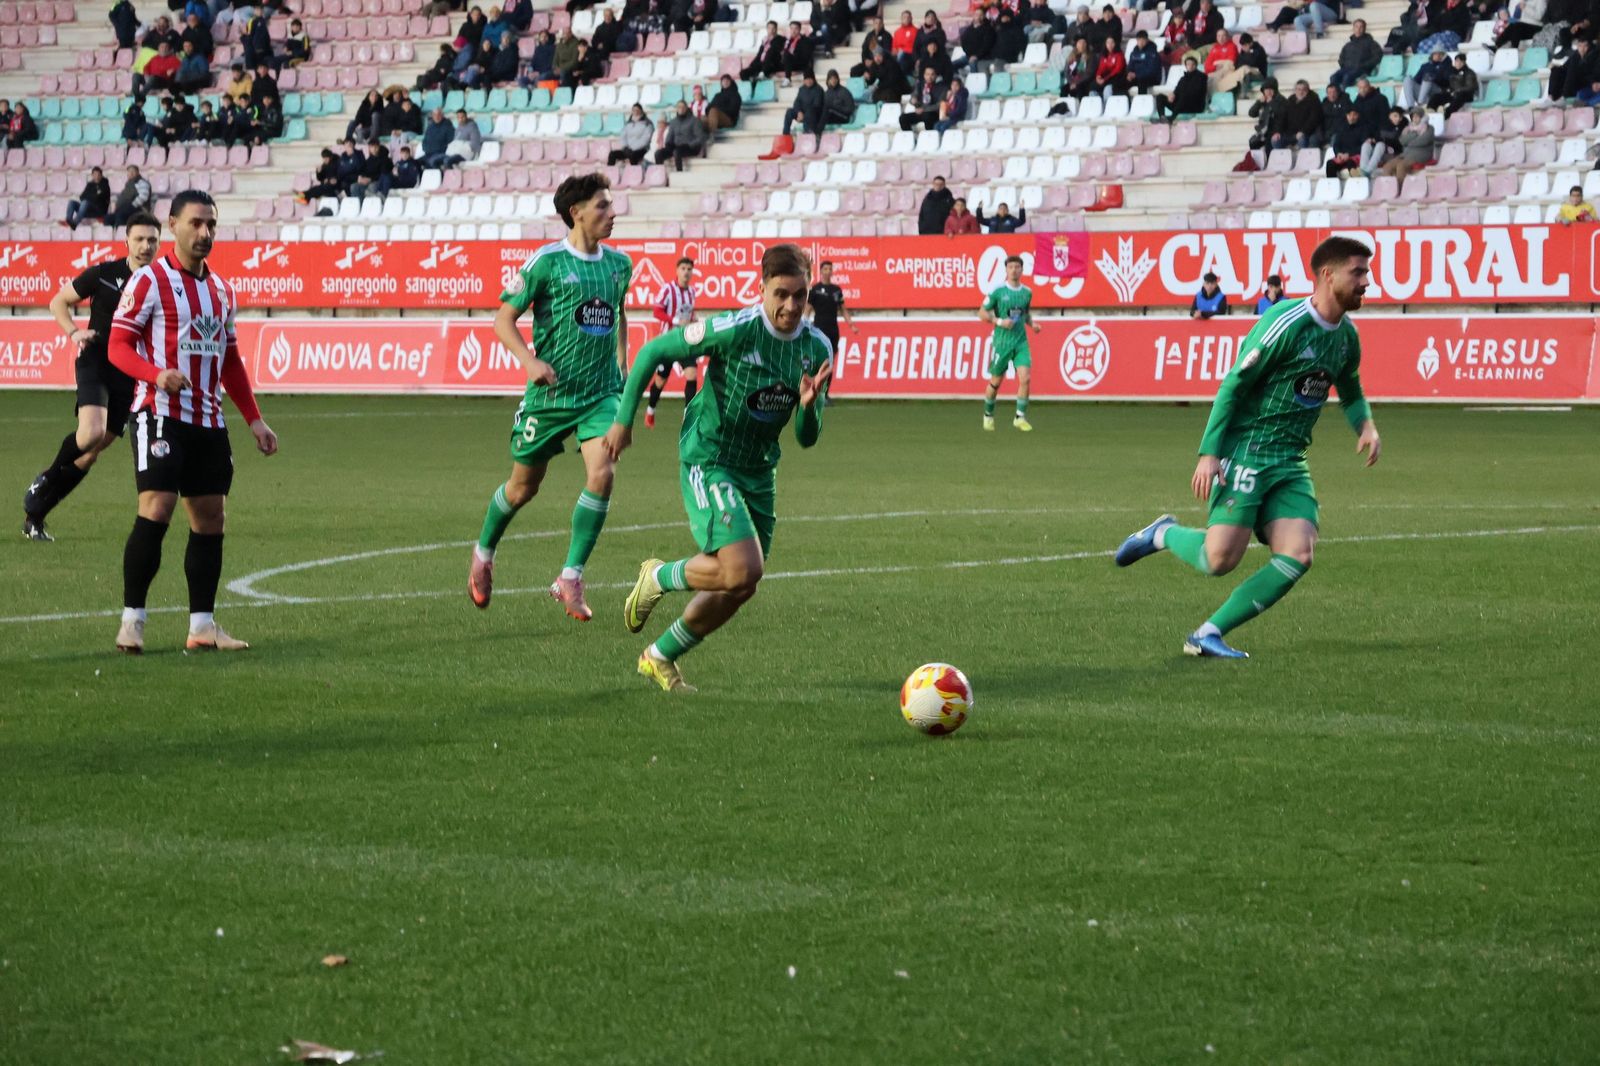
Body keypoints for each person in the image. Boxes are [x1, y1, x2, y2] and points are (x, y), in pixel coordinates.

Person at [1114, 236, 1381, 659]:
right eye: (1358, 272)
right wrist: (1209, 452)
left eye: (1366, 271)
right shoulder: (1286, 323)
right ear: (1328, 276)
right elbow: (1235, 383)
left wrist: (1364, 424)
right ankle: (1162, 533)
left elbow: (1349, 386)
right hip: (1248, 451)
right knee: (1218, 560)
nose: (1367, 281)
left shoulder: (1347, 337)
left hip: (1291, 461)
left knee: (1298, 554)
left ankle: (1207, 634)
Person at [606, 243, 833, 694]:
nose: (791, 306)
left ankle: (659, 656)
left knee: (741, 584)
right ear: (762, 288)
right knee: (743, 568)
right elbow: (653, 353)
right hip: (711, 456)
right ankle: (658, 576)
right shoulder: (736, 328)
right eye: (781, 294)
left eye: (800, 295)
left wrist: (808, 406)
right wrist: (623, 420)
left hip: (759, 468)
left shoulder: (817, 346)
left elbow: (807, 437)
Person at [106, 190, 279, 654]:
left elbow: (231, 361)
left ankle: (202, 626)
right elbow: (117, 347)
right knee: (157, 506)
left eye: (211, 225)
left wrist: (255, 420)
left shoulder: (222, 291)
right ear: (174, 226)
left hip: (207, 420)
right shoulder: (148, 281)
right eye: (196, 223)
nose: (205, 233)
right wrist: (156, 374)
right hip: (158, 414)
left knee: (210, 519)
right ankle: (132, 621)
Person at [469, 172, 633, 622]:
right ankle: (483, 553)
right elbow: (503, 321)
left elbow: (619, 316)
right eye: (603, 205)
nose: (612, 212)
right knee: (523, 488)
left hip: (600, 395)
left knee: (603, 473)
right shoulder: (545, 263)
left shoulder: (620, 265)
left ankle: (571, 577)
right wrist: (529, 361)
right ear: (576, 212)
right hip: (551, 396)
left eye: (611, 204)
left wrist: (622, 365)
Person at [21, 216, 163, 542]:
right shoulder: (104, 274)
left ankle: (36, 516)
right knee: (90, 434)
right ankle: (47, 477)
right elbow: (59, 300)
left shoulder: (161, 283)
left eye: (152, 240)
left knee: (90, 453)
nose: (145, 246)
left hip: (130, 374)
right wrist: (73, 332)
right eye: (139, 239)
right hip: (96, 361)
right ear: (126, 241)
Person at [979, 255, 1041, 432]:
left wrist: (1033, 324)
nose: (1014, 270)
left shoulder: (1027, 292)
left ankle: (1019, 417)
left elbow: (1025, 314)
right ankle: (988, 415)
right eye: (1011, 267)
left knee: (1026, 378)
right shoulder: (997, 291)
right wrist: (999, 322)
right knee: (995, 382)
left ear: (1022, 270)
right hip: (1002, 343)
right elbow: (982, 313)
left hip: (1020, 342)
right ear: (1006, 270)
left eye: (1017, 267)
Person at [644, 257, 700, 428]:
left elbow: (689, 314)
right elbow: (657, 311)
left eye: (689, 269)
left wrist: (694, 319)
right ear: (677, 270)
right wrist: (675, 320)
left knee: (692, 375)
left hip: (684, 342)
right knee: (660, 380)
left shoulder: (691, 292)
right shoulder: (668, 289)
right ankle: (651, 410)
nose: (686, 272)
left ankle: (687, 415)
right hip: (668, 342)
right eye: (683, 268)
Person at [806, 259, 856, 359]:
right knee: (820, 354)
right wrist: (804, 325)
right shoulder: (815, 289)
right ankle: (820, 373)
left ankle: (828, 374)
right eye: (825, 269)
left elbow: (843, 309)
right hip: (819, 327)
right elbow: (808, 309)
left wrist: (851, 325)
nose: (828, 271)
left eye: (830, 269)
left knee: (832, 355)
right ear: (821, 271)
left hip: (833, 328)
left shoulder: (836, 290)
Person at [1377, 107, 1433, 178]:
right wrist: (1414, 134)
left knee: (1401, 166)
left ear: (1422, 117)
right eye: (1413, 116)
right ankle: (1390, 187)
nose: (1414, 118)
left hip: (1420, 154)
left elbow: (1423, 141)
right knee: (1387, 167)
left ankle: (1400, 187)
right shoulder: (1408, 128)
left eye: (1417, 116)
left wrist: (1409, 141)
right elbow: (1402, 141)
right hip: (1406, 154)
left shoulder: (1429, 128)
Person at [1330, 20, 1380, 90]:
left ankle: (1343, 96)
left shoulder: (1371, 43)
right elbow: (1341, 58)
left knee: (1347, 77)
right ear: (1353, 28)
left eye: (1361, 27)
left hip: (1362, 69)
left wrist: (1364, 65)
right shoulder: (1348, 45)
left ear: (1364, 29)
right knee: (1333, 77)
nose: (1358, 29)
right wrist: (1344, 65)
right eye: (1356, 27)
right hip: (1347, 69)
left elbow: (1377, 57)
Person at [656, 100, 706, 171]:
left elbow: (700, 138)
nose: (681, 109)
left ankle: (679, 174)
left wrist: (689, 144)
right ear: (676, 108)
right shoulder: (673, 122)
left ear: (686, 108)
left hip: (690, 147)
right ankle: (660, 175)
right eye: (679, 107)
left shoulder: (694, 120)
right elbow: (669, 136)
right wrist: (668, 144)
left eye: (683, 107)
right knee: (658, 153)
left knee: (677, 152)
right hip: (676, 146)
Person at [1155, 55, 1207, 120]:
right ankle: (1162, 118)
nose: (1190, 66)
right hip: (1181, 105)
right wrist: (1172, 94)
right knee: (1160, 97)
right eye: (1188, 64)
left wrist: (1182, 95)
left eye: (1193, 64)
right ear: (1186, 66)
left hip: (1194, 106)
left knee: (1184, 95)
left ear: (1196, 66)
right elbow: (1177, 90)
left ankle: (1171, 118)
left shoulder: (1201, 76)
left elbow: (1197, 92)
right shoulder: (1183, 78)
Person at [1280, 78, 1323, 148]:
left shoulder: (1314, 100)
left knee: (1302, 139)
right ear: (1295, 90)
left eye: (1304, 90)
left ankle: (1304, 158)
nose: (1301, 92)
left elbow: (1314, 119)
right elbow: (1283, 117)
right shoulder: (1291, 99)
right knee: (1276, 140)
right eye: (1298, 89)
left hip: (1309, 132)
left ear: (1308, 90)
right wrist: (1278, 131)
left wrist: (1303, 131)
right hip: (1292, 132)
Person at [783, 69, 826, 139]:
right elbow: (797, 102)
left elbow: (817, 105)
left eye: (810, 79)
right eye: (806, 79)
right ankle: (785, 135)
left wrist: (804, 115)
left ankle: (807, 135)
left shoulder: (819, 90)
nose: (808, 81)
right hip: (802, 114)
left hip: (814, 116)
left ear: (813, 79)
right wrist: (799, 112)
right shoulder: (802, 89)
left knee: (810, 112)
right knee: (789, 112)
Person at [900, 66, 945, 130]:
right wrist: (913, 101)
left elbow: (939, 105)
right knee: (903, 118)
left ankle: (929, 137)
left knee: (928, 117)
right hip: (921, 111)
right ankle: (911, 138)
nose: (930, 77)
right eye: (927, 74)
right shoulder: (920, 85)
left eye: (932, 74)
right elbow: (913, 97)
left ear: (936, 76)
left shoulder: (941, 88)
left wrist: (924, 109)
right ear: (924, 75)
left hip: (932, 113)